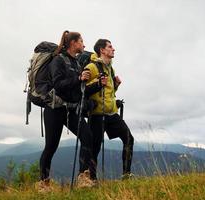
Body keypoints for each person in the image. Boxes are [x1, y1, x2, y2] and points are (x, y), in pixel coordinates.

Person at [36, 31, 98, 191]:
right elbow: (58, 84)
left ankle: (83, 178)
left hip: (71, 109)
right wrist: (78, 79)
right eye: (81, 41)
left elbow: (77, 90)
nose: (84, 44)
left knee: (87, 136)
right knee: (51, 146)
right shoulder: (58, 60)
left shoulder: (76, 63)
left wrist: (96, 84)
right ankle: (43, 183)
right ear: (73, 43)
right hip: (54, 109)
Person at [85, 39, 134, 181]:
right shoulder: (91, 67)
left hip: (112, 113)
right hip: (97, 115)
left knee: (129, 139)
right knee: (95, 148)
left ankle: (126, 174)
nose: (113, 49)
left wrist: (116, 85)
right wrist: (98, 82)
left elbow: (109, 92)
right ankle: (92, 180)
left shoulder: (110, 69)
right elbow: (83, 90)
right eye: (110, 47)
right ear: (102, 50)